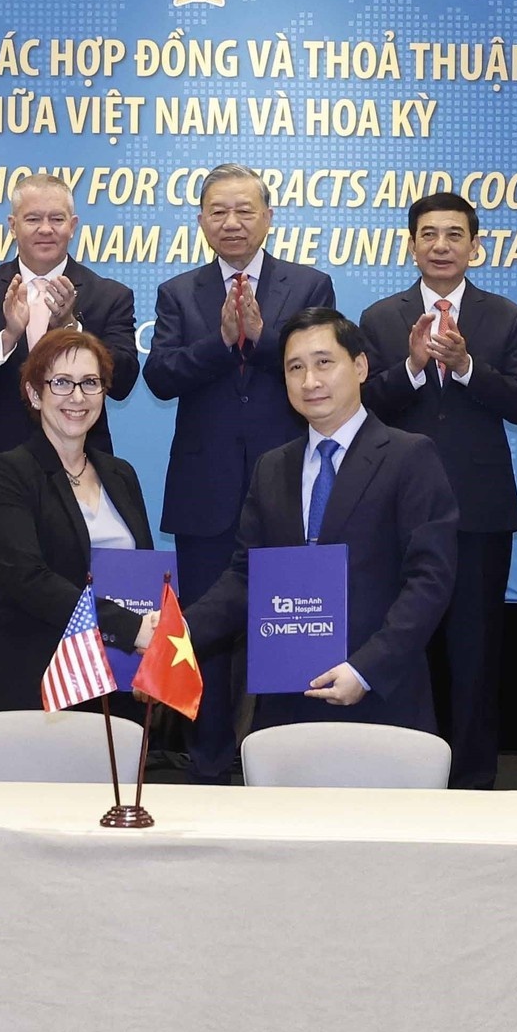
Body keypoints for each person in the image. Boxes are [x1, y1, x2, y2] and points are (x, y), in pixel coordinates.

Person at [174, 308, 458, 734]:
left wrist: (366, 669)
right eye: (295, 368)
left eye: (324, 362)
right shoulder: (272, 467)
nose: (310, 381)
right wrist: (179, 630)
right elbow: (246, 577)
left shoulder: (409, 456)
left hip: (381, 698)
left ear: (359, 367)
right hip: (285, 703)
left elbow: (429, 580)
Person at [143, 164, 334, 781]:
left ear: (268, 217)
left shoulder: (309, 285)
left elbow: (321, 370)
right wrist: (222, 345)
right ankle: (208, 762)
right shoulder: (178, 292)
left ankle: (284, 763)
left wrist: (263, 337)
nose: (232, 222)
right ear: (201, 220)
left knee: (291, 624)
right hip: (205, 490)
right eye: (219, 211)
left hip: (290, 486)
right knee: (203, 629)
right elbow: (160, 376)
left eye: (245, 210)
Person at [357, 190, 517, 788]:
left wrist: (466, 367)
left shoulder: (504, 317)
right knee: (400, 647)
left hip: (478, 513)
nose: (441, 245)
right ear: (411, 245)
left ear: (474, 246)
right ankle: (401, 779)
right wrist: (411, 368)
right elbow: (364, 407)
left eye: (454, 234)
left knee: (475, 654)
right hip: (394, 512)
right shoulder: (380, 318)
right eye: (429, 234)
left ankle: (473, 782)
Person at [0, 172, 138, 691]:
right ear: (12, 225)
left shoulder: (109, 295)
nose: (45, 229)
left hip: (81, 493)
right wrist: (7, 334)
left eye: (56, 218)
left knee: (86, 636)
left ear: (73, 225)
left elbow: (123, 381)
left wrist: (73, 328)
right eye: (33, 218)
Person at [0, 329, 157, 710]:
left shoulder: (121, 474)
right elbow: (27, 579)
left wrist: (150, 654)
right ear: (36, 394)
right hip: (35, 684)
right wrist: (131, 628)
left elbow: (144, 575)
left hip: (115, 683)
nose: (78, 397)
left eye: (90, 383)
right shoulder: (10, 471)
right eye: (62, 383)